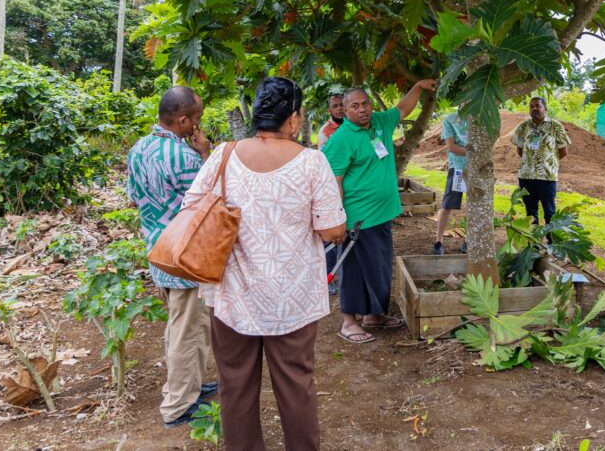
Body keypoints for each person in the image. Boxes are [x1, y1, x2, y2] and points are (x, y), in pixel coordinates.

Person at [182, 77, 346, 451]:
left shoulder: (223, 154)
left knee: (235, 386)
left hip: (232, 296)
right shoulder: (311, 162)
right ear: (292, 119)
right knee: (296, 385)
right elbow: (331, 229)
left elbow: (190, 209)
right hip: (292, 298)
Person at [126, 87, 217, 428]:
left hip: (158, 252)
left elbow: (134, 199)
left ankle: (189, 387)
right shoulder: (186, 158)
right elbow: (210, 202)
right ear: (183, 121)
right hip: (185, 257)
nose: (198, 125)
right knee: (186, 330)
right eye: (197, 119)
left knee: (185, 324)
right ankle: (177, 405)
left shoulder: (138, 149)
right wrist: (206, 155)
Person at [324, 80, 437, 343]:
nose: (362, 109)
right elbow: (334, 183)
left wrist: (418, 86)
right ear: (345, 111)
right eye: (355, 106)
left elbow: (403, 108)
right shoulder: (341, 139)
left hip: (381, 214)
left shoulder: (380, 123)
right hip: (357, 218)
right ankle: (349, 322)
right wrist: (338, 220)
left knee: (378, 268)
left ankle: (374, 315)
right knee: (353, 270)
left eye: (365, 103)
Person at [512, 97, 571, 227]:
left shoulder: (555, 126)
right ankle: (533, 245)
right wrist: (531, 162)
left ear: (545, 109)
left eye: (538, 106)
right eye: (531, 106)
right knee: (530, 213)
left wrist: (547, 162)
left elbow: (563, 151)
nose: (534, 108)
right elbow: (520, 149)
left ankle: (552, 243)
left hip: (547, 177)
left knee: (550, 212)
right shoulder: (523, 127)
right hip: (526, 177)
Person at [317, 91, 347, 294]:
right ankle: (329, 277)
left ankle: (343, 274)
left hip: (351, 186)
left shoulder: (353, 126)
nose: (339, 109)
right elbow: (323, 162)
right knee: (331, 234)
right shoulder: (326, 131)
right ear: (330, 110)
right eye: (335, 106)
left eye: (341, 105)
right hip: (333, 184)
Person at [432, 110, 469, 255]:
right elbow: (452, 146)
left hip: (477, 168)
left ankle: (468, 240)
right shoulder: (450, 120)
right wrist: (473, 152)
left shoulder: (479, 116)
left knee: (475, 205)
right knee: (447, 205)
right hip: (458, 167)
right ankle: (438, 241)